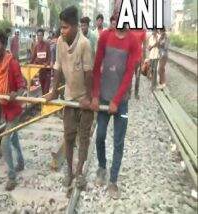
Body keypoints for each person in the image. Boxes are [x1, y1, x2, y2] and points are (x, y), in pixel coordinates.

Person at [45, 6, 94, 197]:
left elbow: (89, 73)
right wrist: (52, 91)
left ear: (74, 26)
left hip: (83, 100)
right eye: (61, 27)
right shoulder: (59, 42)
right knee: (68, 137)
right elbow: (57, 67)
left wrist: (88, 99)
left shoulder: (85, 44)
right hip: (68, 98)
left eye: (65, 27)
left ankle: (80, 171)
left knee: (83, 138)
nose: (62, 30)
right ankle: (70, 172)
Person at [90, 23, 139, 200]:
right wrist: (95, 95)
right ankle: (102, 167)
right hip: (103, 97)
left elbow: (128, 74)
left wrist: (116, 100)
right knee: (100, 136)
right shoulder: (104, 36)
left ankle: (113, 180)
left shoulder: (133, 41)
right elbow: (96, 67)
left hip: (121, 102)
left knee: (118, 142)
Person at [0, 30, 26, 191]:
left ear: (4, 46)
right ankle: (21, 162)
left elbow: (22, 85)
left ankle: (11, 176)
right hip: (4, 108)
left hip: (15, 110)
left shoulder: (12, 63)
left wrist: (15, 94)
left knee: (5, 141)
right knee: (14, 138)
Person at [31, 28, 51, 95]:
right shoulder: (36, 46)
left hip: (47, 70)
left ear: (43, 36)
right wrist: (29, 64)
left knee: (46, 90)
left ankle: (46, 102)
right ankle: (43, 103)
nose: (39, 37)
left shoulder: (47, 44)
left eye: (41, 35)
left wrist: (47, 63)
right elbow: (33, 57)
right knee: (42, 89)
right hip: (41, 70)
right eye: (38, 35)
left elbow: (49, 57)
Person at [132, 28, 147, 99]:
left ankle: (136, 93)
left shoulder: (143, 31)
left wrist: (144, 59)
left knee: (137, 77)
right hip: (130, 58)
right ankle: (128, 92)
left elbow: (144, 46)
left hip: (138, 59)